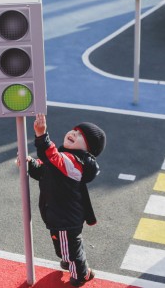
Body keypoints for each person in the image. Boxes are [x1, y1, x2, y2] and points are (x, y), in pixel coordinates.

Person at [19, 114, 106, 287]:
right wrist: (31, 164)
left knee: (70, 247)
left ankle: (81, 273)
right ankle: (71, 260)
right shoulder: (63, 158)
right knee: (64, 246)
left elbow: (52, 158)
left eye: (81, 135)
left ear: (88, 149)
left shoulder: (76, 162)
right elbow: (45, 171)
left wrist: (42, 136)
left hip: (65, 217)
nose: (74, 133)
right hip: (58, 214)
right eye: (74, 130)